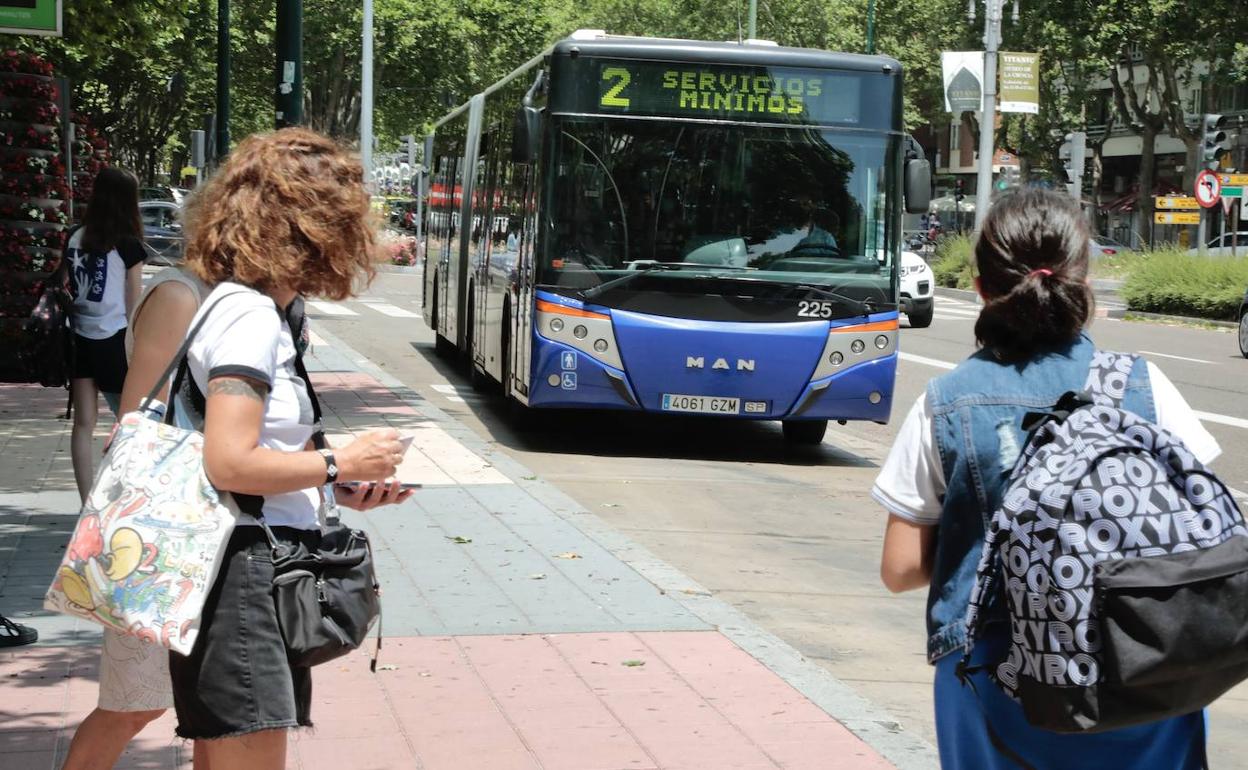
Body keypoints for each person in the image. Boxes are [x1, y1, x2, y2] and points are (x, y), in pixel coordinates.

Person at [872, 188, 1212, 769]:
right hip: (1138, 669)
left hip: (993, 676)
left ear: (981, 289)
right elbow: (1203, 536)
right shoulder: (1144, 386)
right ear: (1085, 285)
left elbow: (900, 569)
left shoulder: (947, 402)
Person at [168, 126, 411, 770]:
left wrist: (333, 482)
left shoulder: (247, 308)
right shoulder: (250, 317)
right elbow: (228, 461)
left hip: (237, 570)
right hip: (243, 578)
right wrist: (340, 462)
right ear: (314, 225)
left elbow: (245, 454)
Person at [62, 263, 210, 770]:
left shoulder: (255, 299)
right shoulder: (180, 295)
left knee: (222, 711)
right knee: (135, 703)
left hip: (226, 527)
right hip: (164, 530)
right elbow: (138, 427)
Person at [66, 167, 146, 504]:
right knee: (132, 424)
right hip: (114, 341)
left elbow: (68, 286)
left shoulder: (74, 236)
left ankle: (87, 503)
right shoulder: (127, 244)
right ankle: (125, 498)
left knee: (83, 424)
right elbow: (134, 303)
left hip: (79, 339)